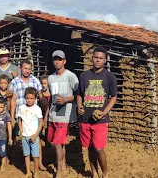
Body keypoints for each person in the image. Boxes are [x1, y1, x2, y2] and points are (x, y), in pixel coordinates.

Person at [77, 47, 117, 178]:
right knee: (89, 147)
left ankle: (104, 173)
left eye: (101, 58)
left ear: (105, 60)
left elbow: (114, 97)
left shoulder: (109, 76)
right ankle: (94, 172)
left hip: (100, 120)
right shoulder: (84, 76)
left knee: (99, 148)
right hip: (85, 119)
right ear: (92, 58)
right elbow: (79, 95)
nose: (98, 60)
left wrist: (104, 112)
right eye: (96, 57)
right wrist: (79, 106)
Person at [47, 50, 79, 178]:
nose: (57, 61)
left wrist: (66, 99)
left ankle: (59, 172)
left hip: (64, 116)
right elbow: (50, 99)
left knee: (57, 144)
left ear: (64, 61)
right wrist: (46, 116)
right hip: (53, 114)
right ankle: (63, 166)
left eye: (59, 59)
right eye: (55, 59)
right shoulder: (50, 78)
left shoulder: (70, 76)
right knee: (59, 144)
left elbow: (78, 95)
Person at [10, 60, 42, 138]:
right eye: (25, 68)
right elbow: (13, 100)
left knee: (36, 138)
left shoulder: (36, 81)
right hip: (21, 116)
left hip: (33, 116)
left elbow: (40, 98)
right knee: (20, 138)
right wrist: (12, 117)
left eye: (29, 69)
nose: (27, 71)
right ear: (20, 68)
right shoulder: (15, 82)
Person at [18, 87, 43, 178]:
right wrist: (20, 130)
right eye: (28, 98)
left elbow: (41, 123)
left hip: (34, 136)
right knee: (26, 155)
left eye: (32, 98)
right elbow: (20, 120)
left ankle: (36, 173)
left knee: (35, 155)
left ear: (35, 98)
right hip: (25, 135)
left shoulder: (37, 109)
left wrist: (36, 135)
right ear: (25, 97)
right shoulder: (21, 108)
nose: (29, 100)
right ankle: (28, 172)